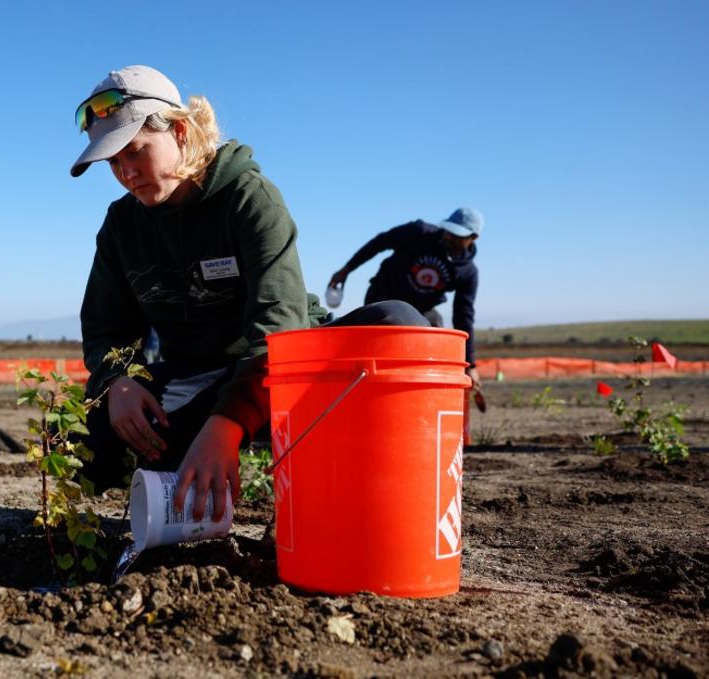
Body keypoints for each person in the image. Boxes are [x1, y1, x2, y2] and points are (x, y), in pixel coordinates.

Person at [70, 64, 332, 522]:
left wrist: (227, 426)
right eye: (113, 162)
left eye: (135, 150)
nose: (127, 172)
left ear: (178, 130)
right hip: (199, 376)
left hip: (284, 371)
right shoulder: (121, 226)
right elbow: (104, 327)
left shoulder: (249, 199)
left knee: (396, 317)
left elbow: (281, 327)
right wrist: (119, 383)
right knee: (85, 444)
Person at [328, 208, 486, 408]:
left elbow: (464, 316)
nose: (449, 236)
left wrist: (470, 364)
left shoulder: (468, 273)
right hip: (383, 300)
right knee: (370, 351)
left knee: (436, 333)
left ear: (473, 238)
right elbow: (379, 243)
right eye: (448, 230)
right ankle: (356, 400)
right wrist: (346, 270)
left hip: (421, 311)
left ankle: (417, 404)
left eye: (457, 235)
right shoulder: (419, 232)